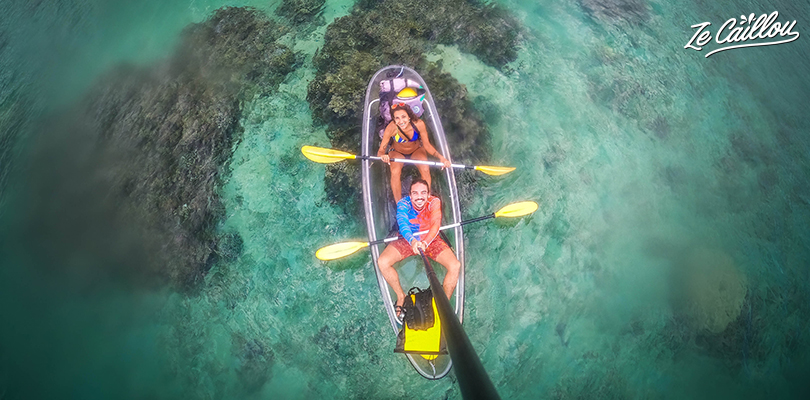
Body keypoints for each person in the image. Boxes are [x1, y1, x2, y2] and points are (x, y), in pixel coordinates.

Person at [377, 178, 460, 321]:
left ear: (428, 195)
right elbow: (403, 224)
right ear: (410, 195)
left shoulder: (434, 202)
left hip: (431, 240)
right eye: (415, 193)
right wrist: (413, 241)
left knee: (455, 266)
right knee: (382, 262)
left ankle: (443, 303)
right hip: (408, 239)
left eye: (423, 193)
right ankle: (401, 295)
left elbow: (435, 225)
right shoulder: (404, 203)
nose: (419, 196)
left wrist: (425, 242)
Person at [377, 102, 451, 202]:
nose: (401, 121)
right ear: (394, 119)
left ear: (409, 117)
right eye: (397, 118)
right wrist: (383, 156)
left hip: (416, 150)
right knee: (394, 171)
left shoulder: (419, 124)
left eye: (403, 117)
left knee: (425, 168)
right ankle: (399, 203)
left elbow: (427, 145)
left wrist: (441, 157)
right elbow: (381, 150)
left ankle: (425, 198)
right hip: (397, 152)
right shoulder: (391, 127)